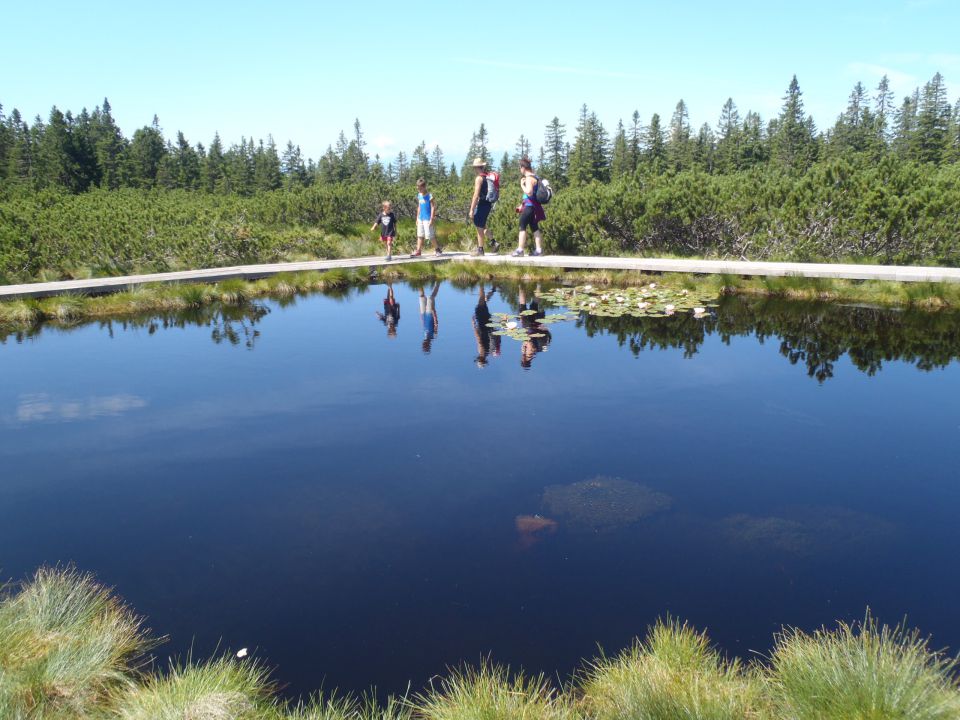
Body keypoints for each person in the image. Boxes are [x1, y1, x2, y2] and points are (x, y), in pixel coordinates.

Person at [511, 157, 545, 257]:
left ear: (523, 167)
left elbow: (529, 192)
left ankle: (520, 250)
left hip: (530, 206)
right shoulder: (535, 177)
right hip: (534, 206)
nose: (519, 170)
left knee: (522, 226)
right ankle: (539, 250)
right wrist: (522, 204)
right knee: (534, 227)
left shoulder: (529, 178)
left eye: (520, 167)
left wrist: (522, 185)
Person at [467, 157, 500, 256]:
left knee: (479, 227)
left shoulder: (479, 178)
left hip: (482, 204)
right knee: (482, 225)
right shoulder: (487, 177)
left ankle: (480, 250)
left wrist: (472, 209)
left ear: (476, 168)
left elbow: (476, 195)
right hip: (488, 204)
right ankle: (494, 242)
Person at [518, 285, 551, 368]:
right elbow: (528, 341)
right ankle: (521, 284)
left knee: (534, 305)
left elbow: (548, 337)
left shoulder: (537, 350)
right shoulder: (528, 352)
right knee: (523, 306)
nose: (522, 359)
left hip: (536, 323)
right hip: (528, 326)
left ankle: (539, 285)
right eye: (523, 360)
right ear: (525, 361)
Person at [471, 283, 501, 367]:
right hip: (482, 322)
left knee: (483, 301)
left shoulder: (489, 351)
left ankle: (492, 289)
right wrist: (474, 326)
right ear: (480, 359)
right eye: (478, 359)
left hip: (488, 324)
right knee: (481, 299)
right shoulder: (482, 351)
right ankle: (481, 282)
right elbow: (479, 341)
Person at [412, 178, 442, 257]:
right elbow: (419, 207)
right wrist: (417, 218)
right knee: (420, 235)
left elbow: (433, 207)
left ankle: (437, 249)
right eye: (418, 188)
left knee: (429, 235)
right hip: (421, 218)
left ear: (424, 187)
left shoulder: (429, 196)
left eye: (420, 188)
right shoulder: (419, 195)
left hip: (427, 218)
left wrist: (431, 218)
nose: (419, 190)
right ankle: (418, 251)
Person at [419, 282, 440, 353]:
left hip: (423, 314)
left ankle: (419, 282)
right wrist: (434, 313)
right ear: (428, 344)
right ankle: (438, 283)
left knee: (421, 297)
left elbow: (424, 325)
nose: (424, 342)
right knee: (431, 298)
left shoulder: (425, 336)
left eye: (423, 343)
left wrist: (421, 315)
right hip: (429, 314)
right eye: (425, 344)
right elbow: (436, 323)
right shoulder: (433, 335)